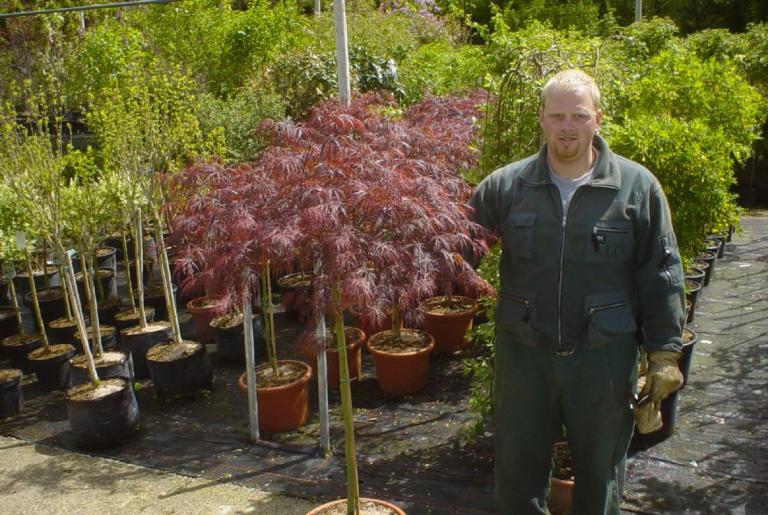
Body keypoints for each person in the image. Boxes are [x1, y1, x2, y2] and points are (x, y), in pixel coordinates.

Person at [469, 69, 686, 514]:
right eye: (558, 115)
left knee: (600, 475)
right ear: (543, 120)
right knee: (516, 475)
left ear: (597, 119)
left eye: (579, 115)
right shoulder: (506, 186)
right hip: (524, 355)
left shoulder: (636, 188)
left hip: (603, 359)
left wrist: (664, 354)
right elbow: (456, 248)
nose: (567, 126)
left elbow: (661, 272)